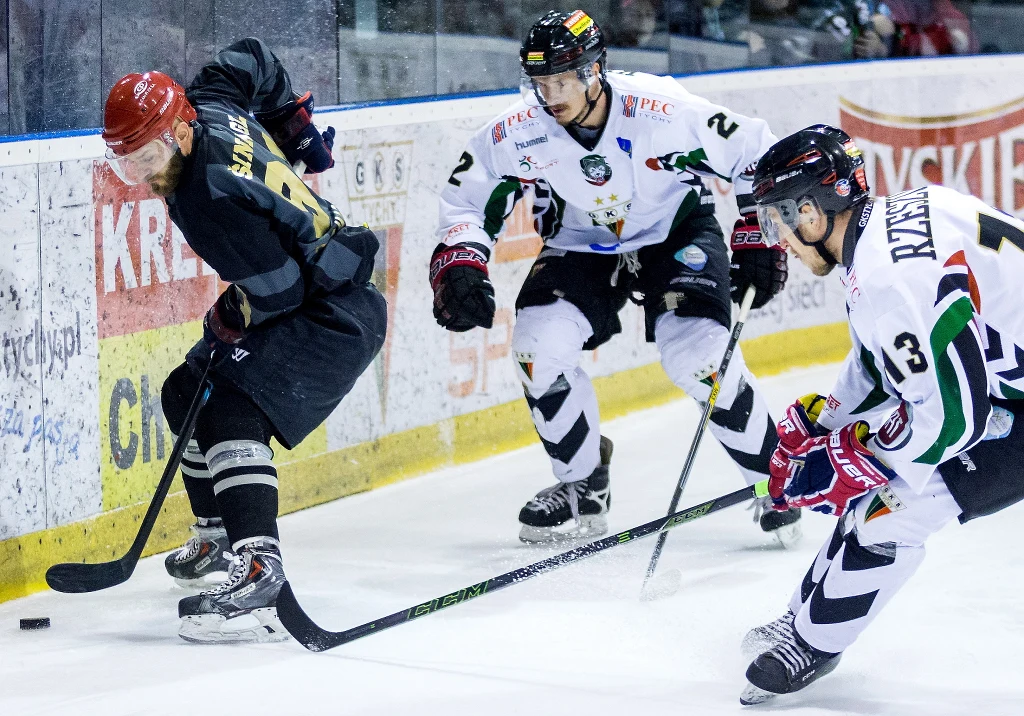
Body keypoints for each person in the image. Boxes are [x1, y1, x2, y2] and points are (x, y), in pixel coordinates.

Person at [430, 9, 798, 545]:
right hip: (580, 242)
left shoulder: (662, 109)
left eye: (561, 80)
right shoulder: (519, 131)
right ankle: (583, 482)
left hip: (673, 232)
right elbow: (466, 199)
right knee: (537, 347)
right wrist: (461, 263)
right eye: (540, 83)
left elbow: (756, 151)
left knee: (699, 357)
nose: (550, 95)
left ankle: (775, 480)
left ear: (594, 71)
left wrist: (759, 231)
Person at [101, 38, 387, 643]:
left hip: (333, 313)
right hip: (323, 284)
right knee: (186, 392)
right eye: (129, 163)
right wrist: (291, 118)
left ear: (179, 131)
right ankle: (217, 539)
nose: (144, 176)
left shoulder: (206, 200)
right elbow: (252, 56)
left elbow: (277, 293)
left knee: (230, 404)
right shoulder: (207, 100)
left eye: (149, 156)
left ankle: (259, 564)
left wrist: (232, 310)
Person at [740, 124, 1024, 703]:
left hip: (1002, 404)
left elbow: (953, 421)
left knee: (894, 508)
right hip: (1007, 384)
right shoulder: (887, 229)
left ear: (813, 212)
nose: (780, 240)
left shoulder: (890, 277)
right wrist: (829, 425)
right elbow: (881, 360)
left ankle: (812, 644)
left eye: (778, 220)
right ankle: (804, 621)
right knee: (879, 485)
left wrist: (856, 457)